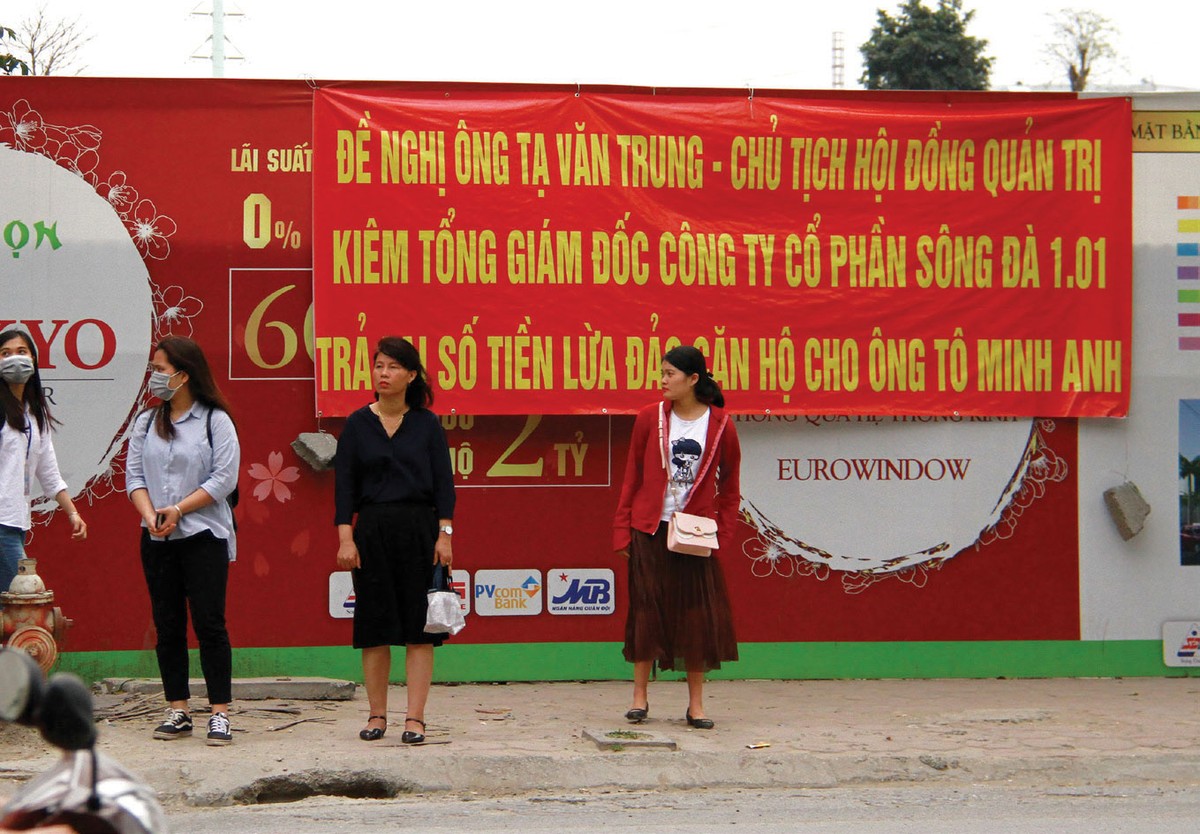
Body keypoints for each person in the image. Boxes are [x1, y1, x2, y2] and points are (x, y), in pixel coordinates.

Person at [334, 337, 455, 744]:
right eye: (378, 366)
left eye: (392, 367)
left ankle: (415, 718)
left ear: (410, 375)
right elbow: (344, 490)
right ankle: (376, 715)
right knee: (375, 627)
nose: (383, 374)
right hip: (371, 533)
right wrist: (346, 539)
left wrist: (445, 535)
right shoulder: (356, 424)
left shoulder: (426, 424)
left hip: (420, 532)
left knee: (420, 629)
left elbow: (445, 487)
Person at [613, 345, 741, 729]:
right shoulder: (648, 418)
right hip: (651, 527)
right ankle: (639, 698)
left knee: (696, 617)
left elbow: (730, 487)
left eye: (670, 374)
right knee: (646, 610)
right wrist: (623, 529)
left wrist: (723, 534)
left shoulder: (720, 424)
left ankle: (696, 705)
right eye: (662, 373)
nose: (663, 380)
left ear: (693, 379)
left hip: (695, 533)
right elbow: (632, 478)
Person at [125, 336, 240, 746]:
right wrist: (151, 516)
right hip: (156, 537)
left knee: (210, 623)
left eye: (160, 369)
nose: (154, 377)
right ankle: (178, 708)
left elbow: (224, 479)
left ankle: (220, 712)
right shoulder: (145, 422)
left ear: (184, 374)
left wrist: (178, 510)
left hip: (204, 534)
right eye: (153, 368)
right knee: (167, 624)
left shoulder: (215, 420)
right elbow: (134, 478)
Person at [0, 328, 87, 595]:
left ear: (35, 360)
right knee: (24, 598)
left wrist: (73, 513)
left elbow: (49, 473)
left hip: (16, 522)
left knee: (12, 606)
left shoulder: (34, 414)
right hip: (2, 525)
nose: (14, 359)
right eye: (5, 354)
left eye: (21, 352)